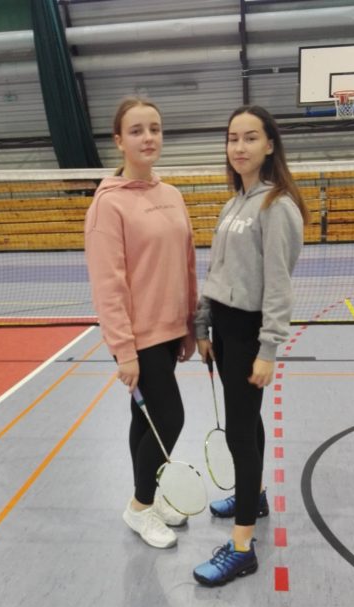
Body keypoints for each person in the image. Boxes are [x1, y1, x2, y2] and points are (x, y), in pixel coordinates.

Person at [193, 104, 309, 586]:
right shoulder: (232, 204)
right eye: (232, 138)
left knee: (239, 434)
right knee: (248, 422)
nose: (238, 147)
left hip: (249, 333)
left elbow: (279, 287)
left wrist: (268, 350)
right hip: (223, 330)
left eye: (250, 137)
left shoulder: (276, 206)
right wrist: (203, 326)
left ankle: (242, 547)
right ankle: (255, 497)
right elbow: (217, 271)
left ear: (269, 145)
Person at [85, 97, 197, 550]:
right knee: (170, 418)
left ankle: (148, 496)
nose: (148, 137)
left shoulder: (172, 195)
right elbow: (107, 284)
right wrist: (124, 350)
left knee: (144, 419)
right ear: (119, 141)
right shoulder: (108, 205)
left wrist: (190, 325)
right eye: (136, 131)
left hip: (170, 331)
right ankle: (139, 506)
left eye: (154, 128)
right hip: (138, 337)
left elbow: (187, 263)